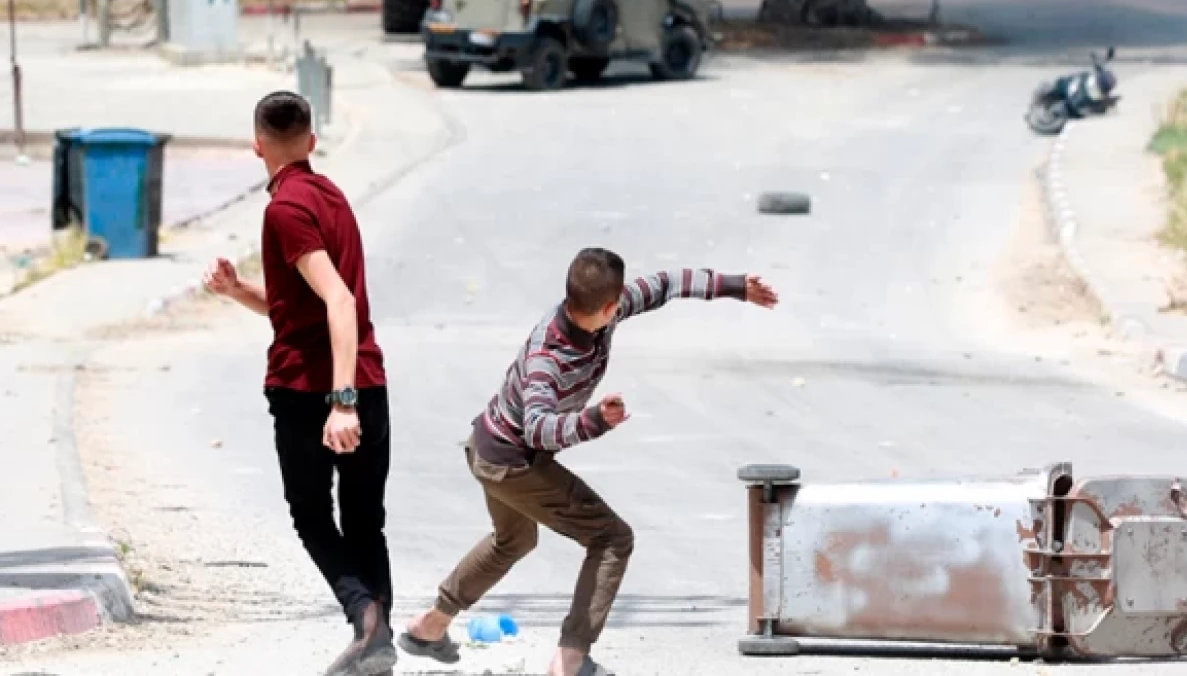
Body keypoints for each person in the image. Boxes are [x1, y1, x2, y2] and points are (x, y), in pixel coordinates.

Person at [398, 248, 779, 676]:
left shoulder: (603, 311)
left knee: (513, 541)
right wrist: (593, 421)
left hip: (487, 446)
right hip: (513, 461)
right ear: (609, 307)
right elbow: (538, 429)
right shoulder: (549, 358)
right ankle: (570, 660)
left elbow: (667, 283)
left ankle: (429, 627)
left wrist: (735, 286)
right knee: (612, 539)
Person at [202, 91, 396, 676]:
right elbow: (301, 306)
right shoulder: (330, 196)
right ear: (311, 141)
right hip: (364, 376)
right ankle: (377, 643)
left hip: (314, 389)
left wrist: (342, 403)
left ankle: (365, 617)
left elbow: (338, 300)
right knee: (364, 519)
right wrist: (238, 291)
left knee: (311, 515)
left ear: (256, 146)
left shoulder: (284, 210)